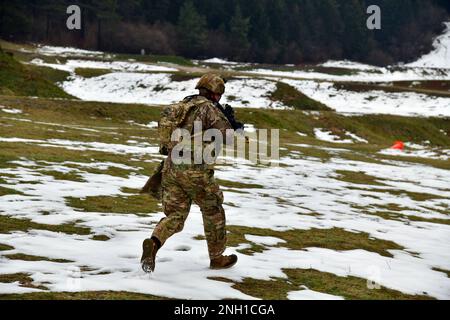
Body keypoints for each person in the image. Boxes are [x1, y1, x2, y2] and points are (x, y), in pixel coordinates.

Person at [140, 74, 239, 273]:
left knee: (176, 215)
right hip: (195, 171)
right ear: (216, 93)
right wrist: (232, 123)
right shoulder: (210, 109)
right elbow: (228, 137)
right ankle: (217, 257)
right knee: (213, 210)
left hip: (171, 167)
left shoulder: (184, 105)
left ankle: (154, 242)